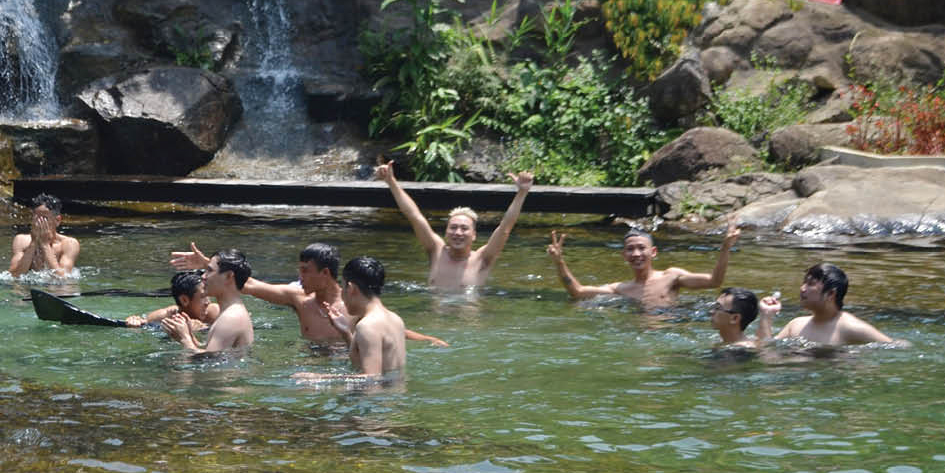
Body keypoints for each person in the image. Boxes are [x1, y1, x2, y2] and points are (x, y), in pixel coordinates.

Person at [169, 240, 448, 348]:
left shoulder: (352, 305)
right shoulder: (297, 298)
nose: (299, 277)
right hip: (308, 362)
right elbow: (243, 283)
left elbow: (390, 327)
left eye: (305, 271)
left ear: (324, 274)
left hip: (344, 366)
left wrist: (430, 340)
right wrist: (207, 264)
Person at [374, 161, 535, 288]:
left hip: (469, 324)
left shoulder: (482, 258)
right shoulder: (436, 250)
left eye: (464, 228)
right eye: (453, 227)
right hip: (436, 322)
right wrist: (391, 181)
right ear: (446, 232)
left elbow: (505, 228)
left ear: (474, 235)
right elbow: (414, 215)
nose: (458, 232)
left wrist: (522, 193)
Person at [547, 223, 741, 307]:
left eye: (642, 248)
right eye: (630, 249)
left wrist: (725, 248)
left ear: (653, 252)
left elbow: (715, 282)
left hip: (671, 326)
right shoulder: (620, 289)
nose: (636, 254)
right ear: (624, 255)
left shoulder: (671, 277)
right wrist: (559, 262)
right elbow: (578, 292)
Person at [758, 262, 907, 346]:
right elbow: (765, 351)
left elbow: (898, 346)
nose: (802, 289)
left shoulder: (850, 327)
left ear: (831, 294)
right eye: (804, 283)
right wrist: (766, 316)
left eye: (810, 284)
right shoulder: (795, 325)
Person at [162, 249, 254, 355]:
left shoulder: (231, 317)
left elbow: (208, 362)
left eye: (209, 270)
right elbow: (212, 352)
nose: (203, 276)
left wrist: (184, 338)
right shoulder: (231, 312)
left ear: (228, 276)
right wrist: (190, 335)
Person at [338, 256, 407, 378]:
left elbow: (371, 380)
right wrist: (346, 334)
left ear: (351, 288)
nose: (341, 294)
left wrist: (316, 378)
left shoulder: (367, 326)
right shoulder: (396, 319)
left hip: (377, 396)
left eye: (343, 287)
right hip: (395, 394)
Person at [8, 194, 80, 276]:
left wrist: (45, 244)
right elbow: (15, 276)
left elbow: (62, 278)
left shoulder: (69, 244)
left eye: (44, 218)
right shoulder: (21, 240)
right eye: (36, 218)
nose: (39, 222)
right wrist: (33, 242)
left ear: (57, 220)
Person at [125, 270, 219, 328]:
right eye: (203, 297)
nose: (208, 302)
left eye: (208, 295)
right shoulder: (164, 317)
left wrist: (203, 327)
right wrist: (134, 322)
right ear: (184, 300)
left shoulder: (215, 313)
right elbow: (142, 321)